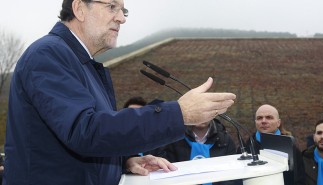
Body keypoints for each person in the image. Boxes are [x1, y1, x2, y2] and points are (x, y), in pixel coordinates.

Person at [3, 0, 236, 184]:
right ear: (79, 8)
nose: (121, 18)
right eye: (111, 6)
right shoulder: (48, 55)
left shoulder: (84, 64)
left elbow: (93, 135)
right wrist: (179, 114)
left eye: (124, 10)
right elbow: (85, 131)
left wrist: (126, 159)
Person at [151, 118, 238, 185]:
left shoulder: (225, 140)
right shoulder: (175, 139)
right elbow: (167, 174)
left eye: (207, 111)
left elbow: (231, 176)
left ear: (214, 114)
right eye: (199, 111)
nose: (203, 116)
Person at [240, 104, 305, 185]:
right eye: (259, 118)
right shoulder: (244, 149)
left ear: (278, 123)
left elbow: (300, 180)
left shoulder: (292, 149)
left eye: (269, 117)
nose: (263, 121)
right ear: (255, 122)